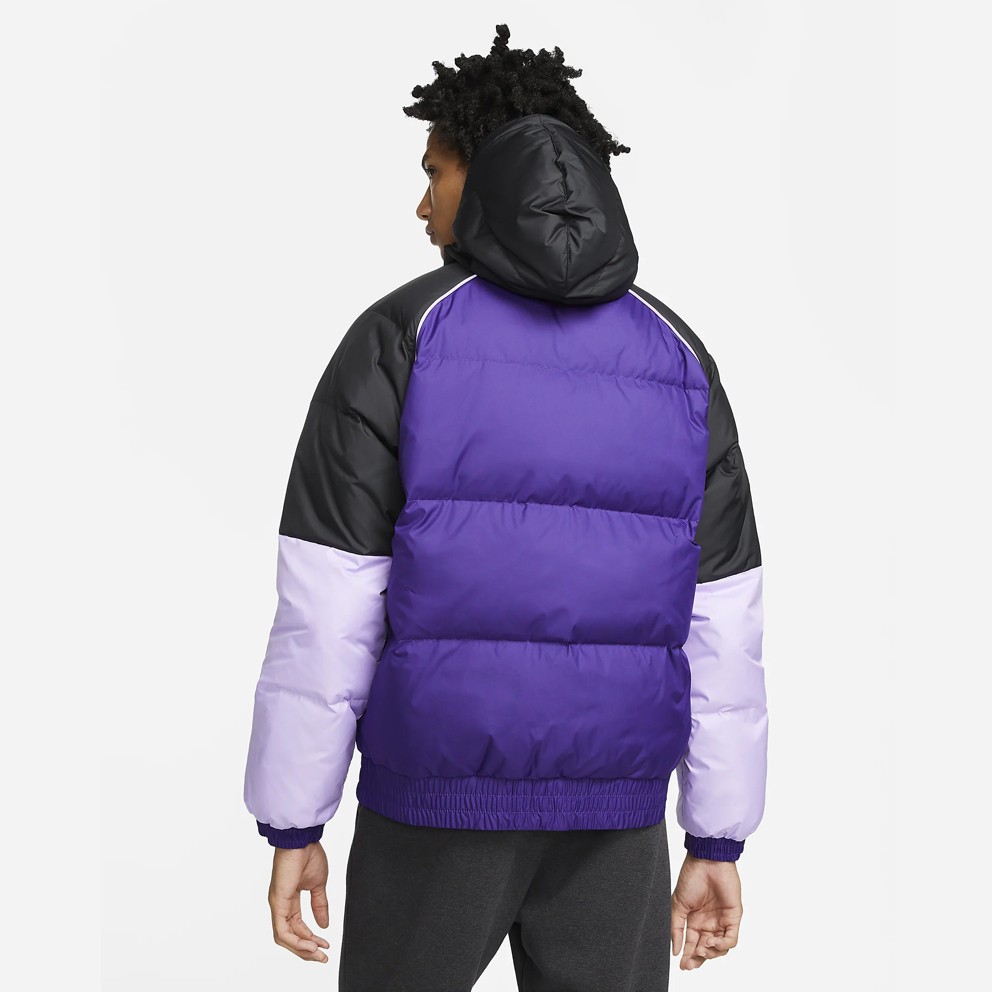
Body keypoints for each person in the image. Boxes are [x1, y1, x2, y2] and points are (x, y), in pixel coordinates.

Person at [243, 23, 767, 992]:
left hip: (434, 801)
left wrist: (294, 817)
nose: (421, 202)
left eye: (434, 172)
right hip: (616, 815)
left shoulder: (402, 333)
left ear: (485, 175)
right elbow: (723, 617)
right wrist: (716, 834)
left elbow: (330, 597)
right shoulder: (675, 353)